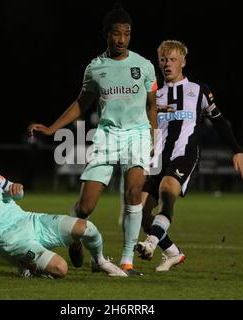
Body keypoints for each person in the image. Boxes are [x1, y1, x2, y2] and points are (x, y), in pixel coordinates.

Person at [29, 4, 158, 276]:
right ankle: (74, 235)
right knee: (86, 207)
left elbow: (152, 106)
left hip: (137, 135)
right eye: (116, 34)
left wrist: (153, 136)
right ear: (106, 35)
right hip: (107, 136)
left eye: (127, 33)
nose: (122, 39)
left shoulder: (144, 66)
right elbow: (81, 104)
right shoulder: (95, 68)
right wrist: (53, 128)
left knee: (134, 193)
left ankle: (126, 262)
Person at [0, 139, 126, 280]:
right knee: (60, 269)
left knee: (87, 228)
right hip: (9, 238)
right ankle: (25, 263)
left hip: (28, 219)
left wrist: (17, 190)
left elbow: (13, 191)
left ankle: (99, 261)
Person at [136, 40, 243, 271]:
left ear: (183, 62)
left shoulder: (199, 90)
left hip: (184, 154)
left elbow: (219, 121)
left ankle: (150, 243)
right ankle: (173, 252)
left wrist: (236, 150)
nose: (168, 64)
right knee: (141, 212)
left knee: (167, 190)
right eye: (164, 59)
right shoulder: (153, 94)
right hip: (156, 159)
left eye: (173, 59)